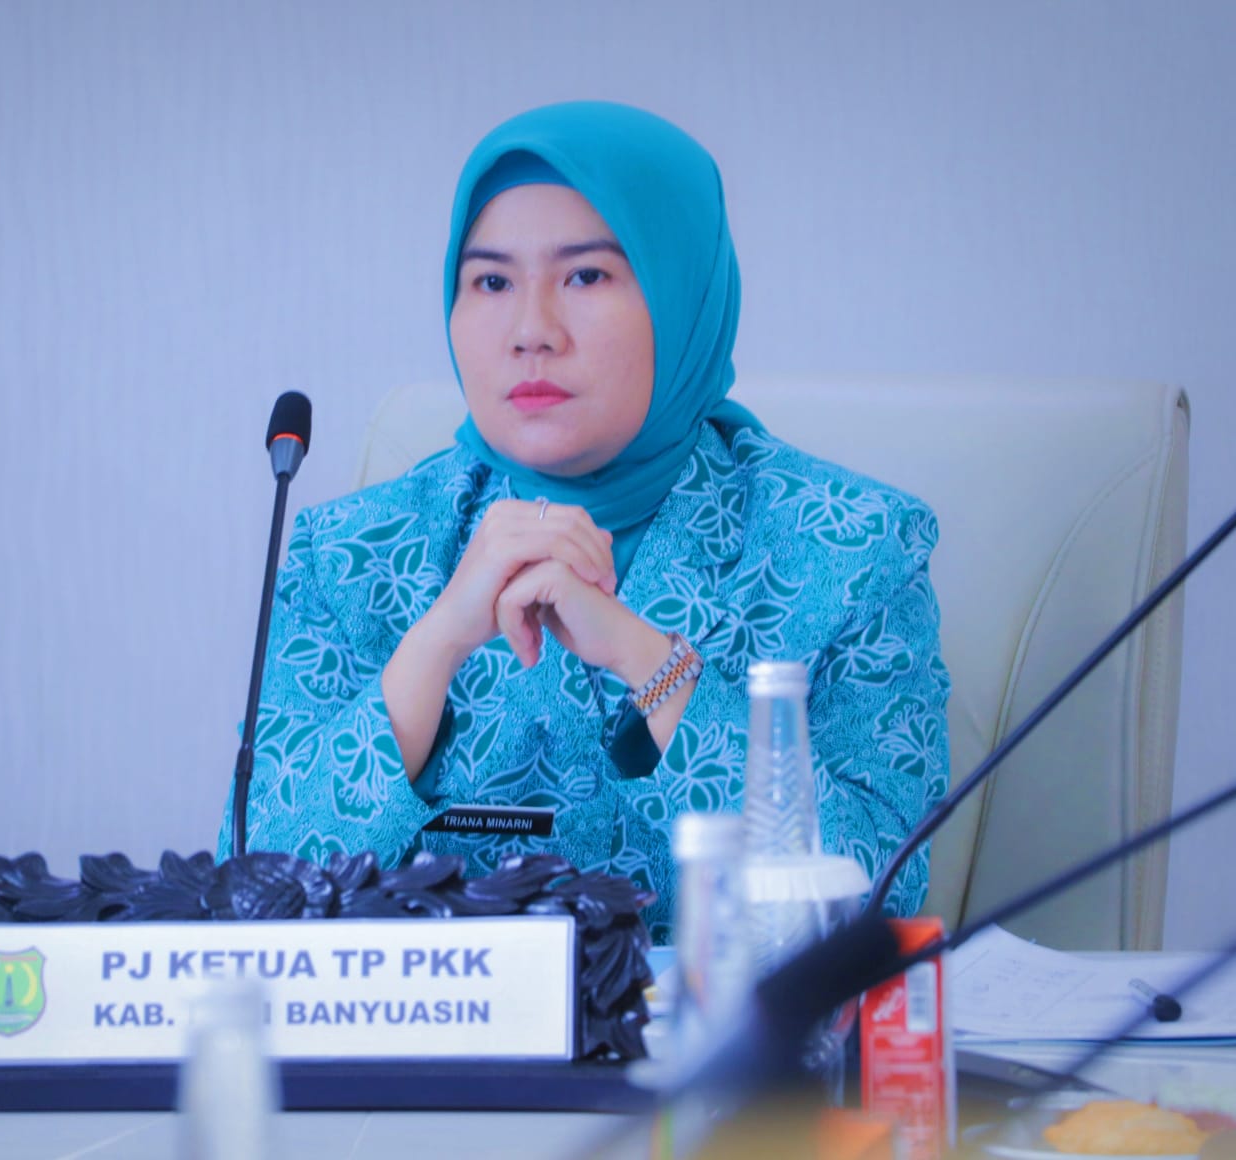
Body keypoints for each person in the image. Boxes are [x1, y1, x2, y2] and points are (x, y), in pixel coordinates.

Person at [217, 101, 950, 942]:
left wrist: (650, 663)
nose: (531, 332)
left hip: (720, 1028)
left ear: (681, 295)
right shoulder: (350, 556)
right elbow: (249, 898)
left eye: (585, 277)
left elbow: (876, 906)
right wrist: (435, 644)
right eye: (491, 282)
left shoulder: (852, 550)